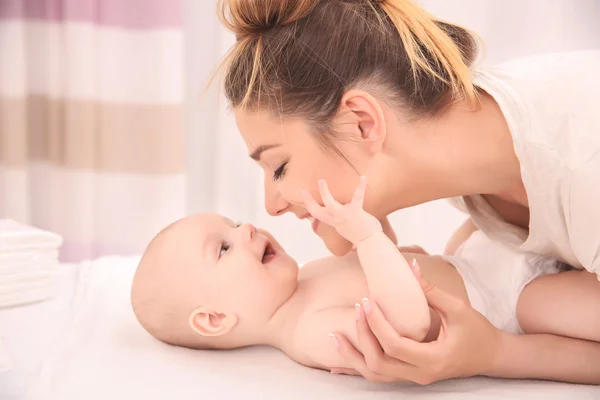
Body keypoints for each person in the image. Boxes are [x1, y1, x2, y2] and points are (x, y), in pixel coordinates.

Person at [214, 0, 600, 384]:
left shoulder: (583, 166)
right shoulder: (464, 146)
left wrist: (496, 352)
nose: (272, 205)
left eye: (279, 167)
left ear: (362, 123)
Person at [130, 179, 600, 383]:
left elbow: (391, 267)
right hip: (502, 299)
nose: (245, 229)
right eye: (225, 247)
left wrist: (371, 229)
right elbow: (408, 326)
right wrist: (367, 237)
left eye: (232, 222)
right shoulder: (309, 333)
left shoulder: (306, 280)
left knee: (500, 200)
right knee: (572, 304)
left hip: (465, 262)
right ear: (214, 318)